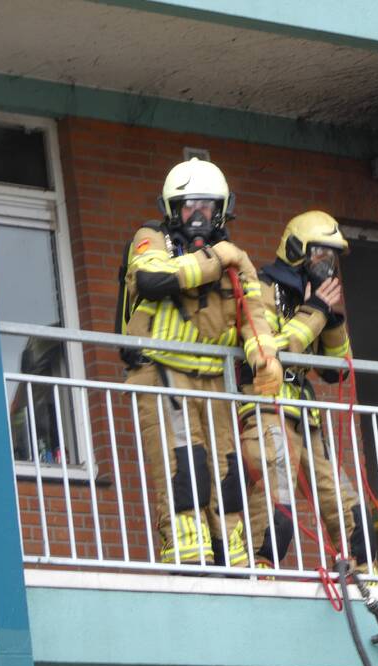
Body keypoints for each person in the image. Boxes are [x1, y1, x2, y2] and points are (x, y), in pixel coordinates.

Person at [121, 157, 283, 566]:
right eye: (188, 205)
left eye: (206, 206)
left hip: (213, 382)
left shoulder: (237, 260)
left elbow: (254, 316)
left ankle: (230, 553)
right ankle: (186, 548)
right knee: (184, 466)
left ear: (221, 210)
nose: (197, 214)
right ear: (172, 210)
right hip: (162, 373)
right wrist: (215, 259)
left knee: (226, 474)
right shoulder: (152, 238)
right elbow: (152, 280)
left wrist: (265, 359)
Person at [237, 210, 370, 572]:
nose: (327, 264)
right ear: (297, 250)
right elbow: (271, 351)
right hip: (267, 406)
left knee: (342, 498)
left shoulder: (316, 299)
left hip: (305, 418)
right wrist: (315, 310)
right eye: (320, 254)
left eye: (333, 257)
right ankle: (261, 566)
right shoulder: (262, 287)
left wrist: (332, 318)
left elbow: (337, 373)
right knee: (276, 490)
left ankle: (360, 569)